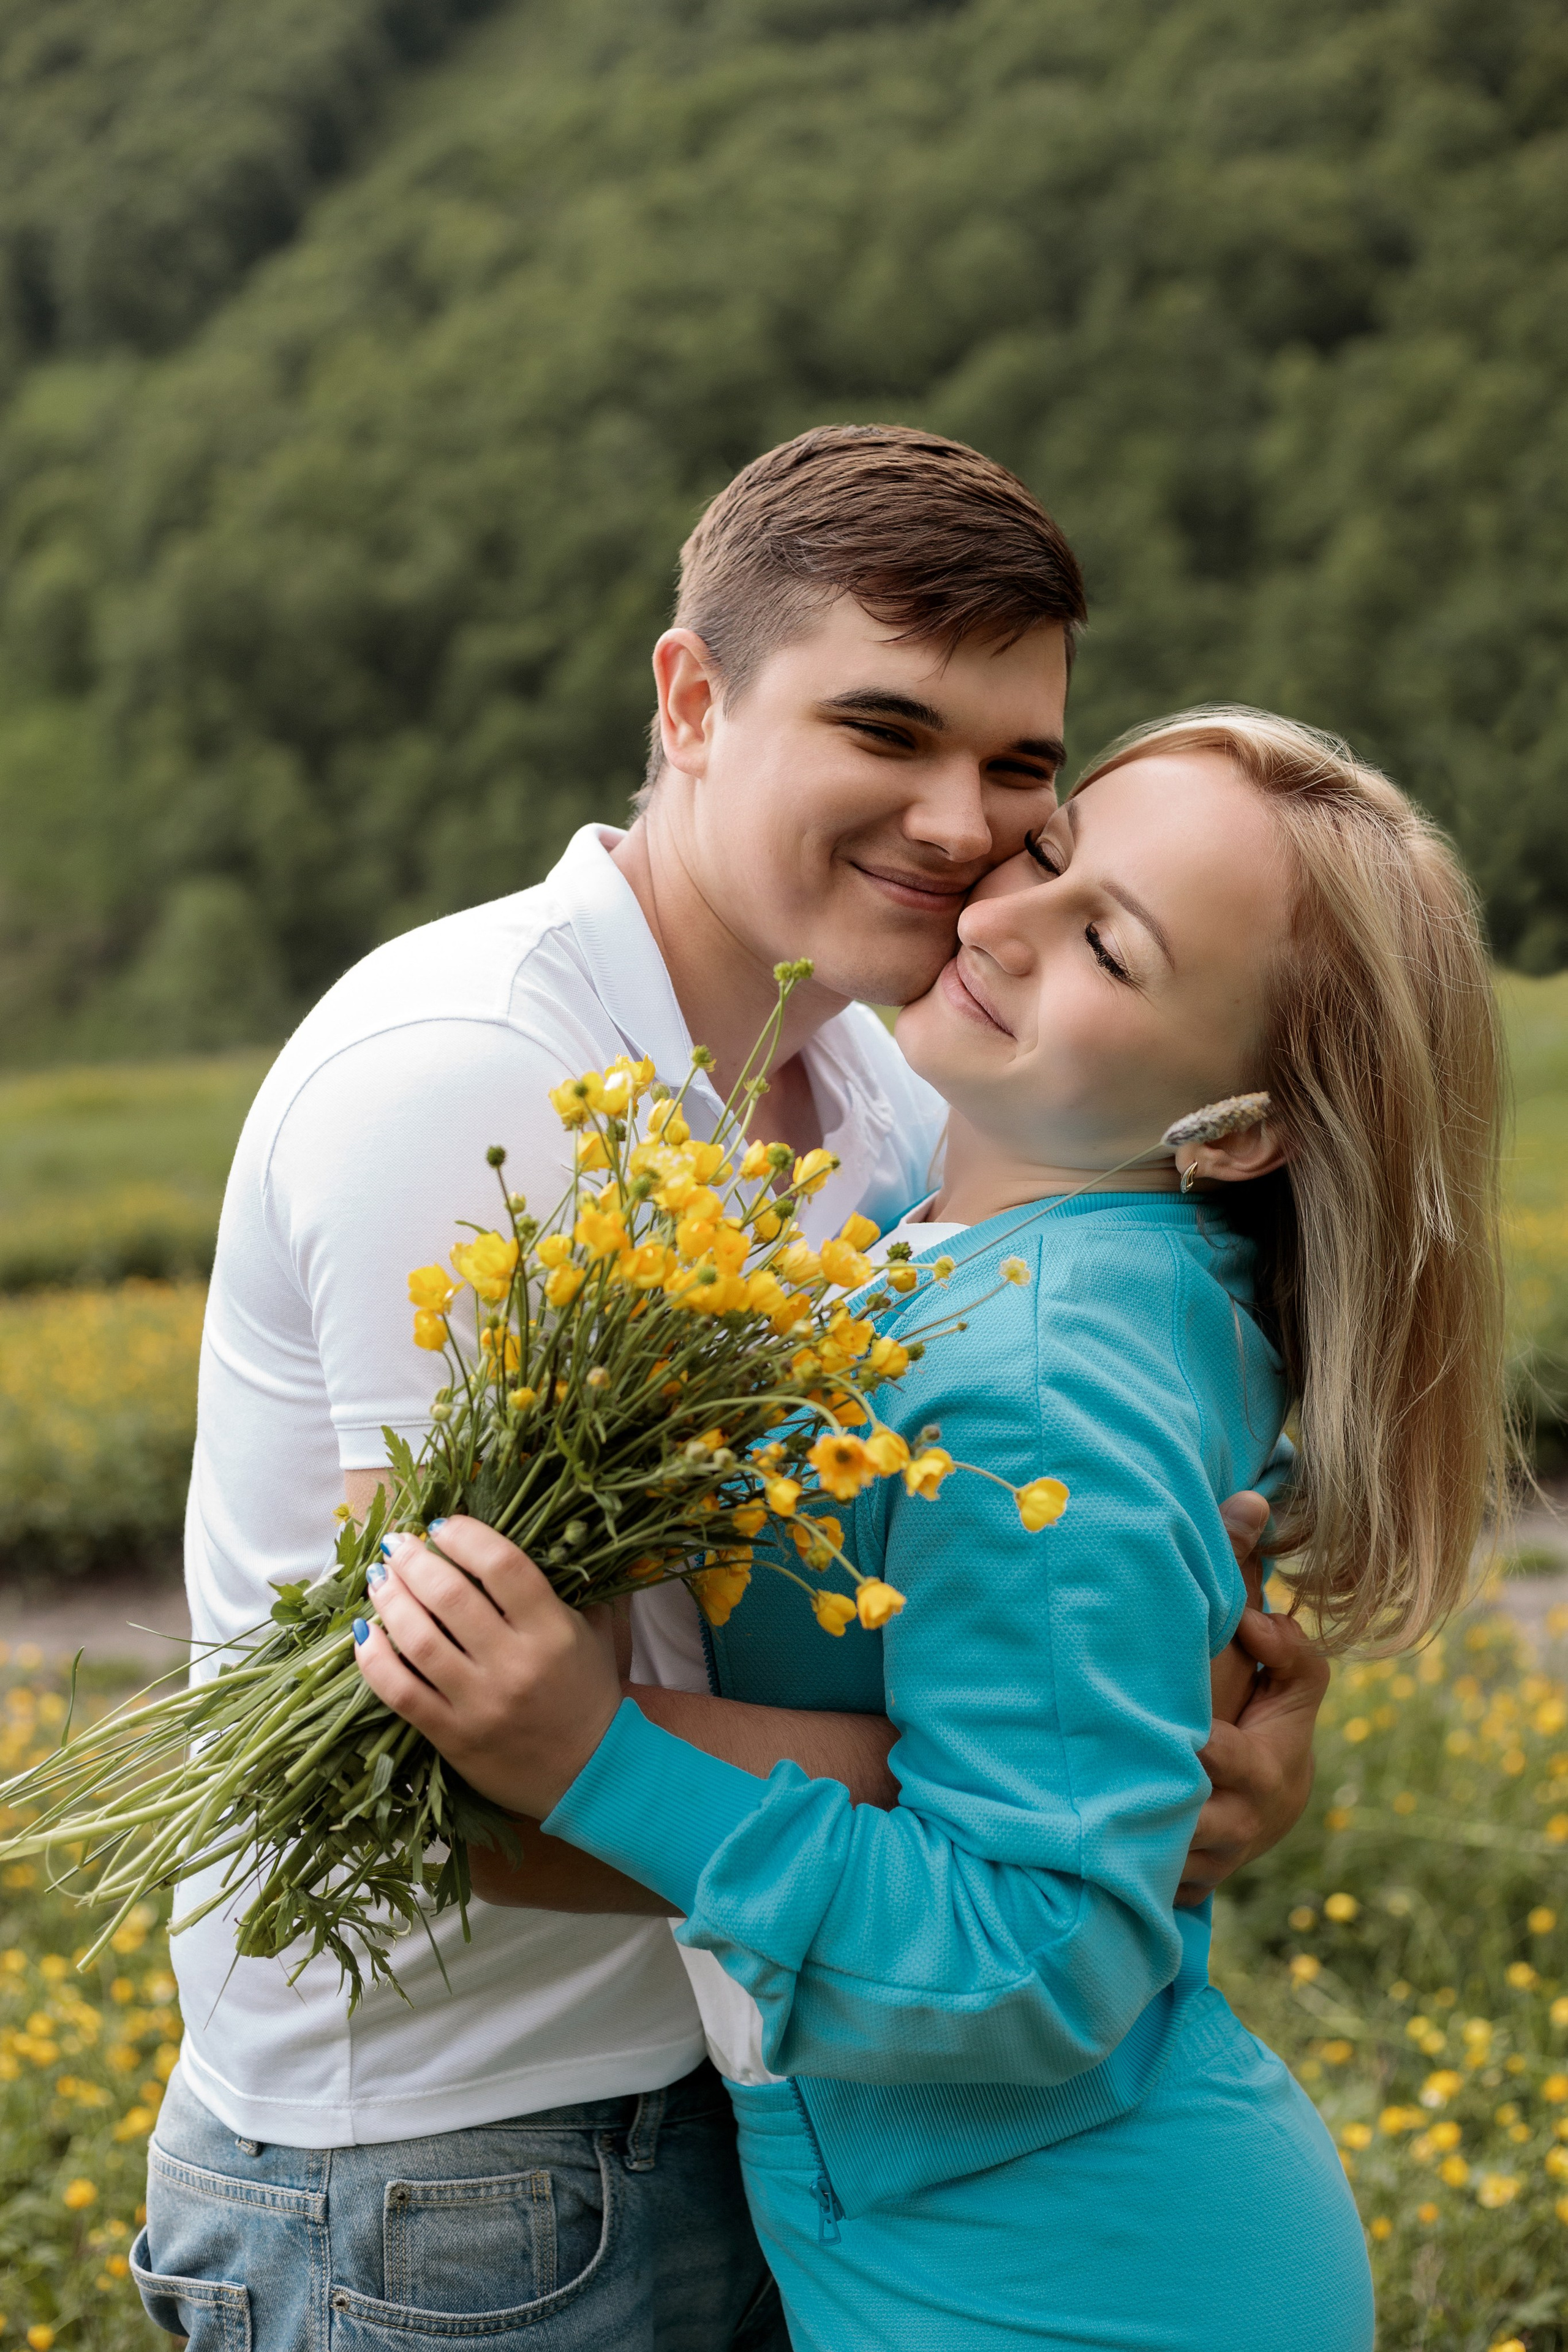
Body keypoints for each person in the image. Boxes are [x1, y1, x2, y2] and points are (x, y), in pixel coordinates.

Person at [135, 429, 1327, 2352]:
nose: (962, 825)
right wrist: (1091, 1784)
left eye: (1020, 767)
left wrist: (1148, 1744)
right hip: (464, 2176)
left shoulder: (876, 1086)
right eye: (886, 730)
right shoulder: (480, 1081)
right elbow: (456, 1769)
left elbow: (963, 1571)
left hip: (752, 2081)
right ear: (691, 701)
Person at [356, 708, 1510, 2351]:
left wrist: (592, 1757)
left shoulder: (1046, 1371)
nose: (994, 913)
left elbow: (1045, 1947)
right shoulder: (966, 1240)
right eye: (1051, 854)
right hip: (1026, 2237)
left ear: (1240, 1130)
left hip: (1075, 2289)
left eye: (1106, 943)